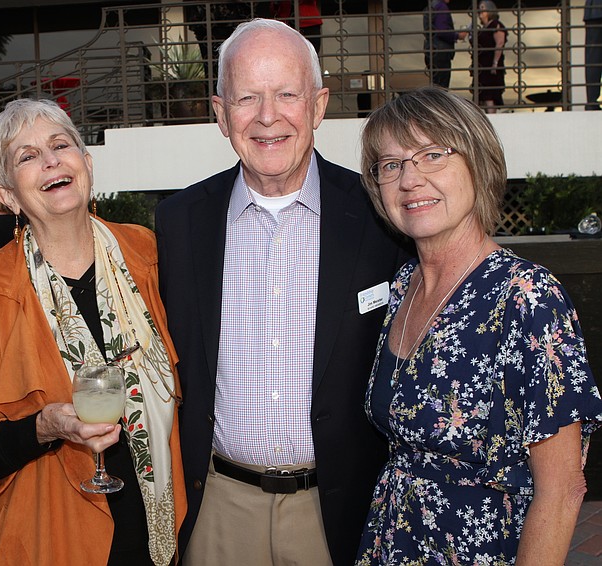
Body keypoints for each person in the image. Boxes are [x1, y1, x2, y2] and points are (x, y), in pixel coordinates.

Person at [155, 18, 407, 566]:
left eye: (287, 94)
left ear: (317, 106)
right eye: (247, 97)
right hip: (219, 506)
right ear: (221, 114)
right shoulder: (177, 223)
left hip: (337, 509)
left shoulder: (378, 215)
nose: (268, 117)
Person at [355, 87, 602, 565]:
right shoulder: (405, 284)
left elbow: (564, 489)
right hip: (393, 544)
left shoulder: (527, 298)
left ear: (477, 161)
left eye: (432, 155)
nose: (410, 179)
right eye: (391, 164)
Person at [0, 98, 186, 566]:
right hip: (53, 539)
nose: (51, 160)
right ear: (8, 196)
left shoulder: (147, 254)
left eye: (60, 145)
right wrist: (44, 426)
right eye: (27, 157)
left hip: (163, 533)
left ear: (86, 163)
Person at [423, 0, 468, 89]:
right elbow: (442, 31)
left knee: (435, 86)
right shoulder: (441, 6)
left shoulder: (430, 7)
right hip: (441, 52)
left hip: (432, 51)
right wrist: (458, 35)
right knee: (441, 88)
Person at [473, 0, 507, 113]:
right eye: (479, 8)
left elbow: (500, 43)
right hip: (482, 67)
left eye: (483, 8)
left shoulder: (496, 25)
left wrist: (495, 64)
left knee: (489, 94)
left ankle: (492, 119)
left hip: (491, 66)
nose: (480, 11)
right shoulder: (483, 28)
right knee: (482, 94)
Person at [586, 0, 602, 110]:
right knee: (593, 58)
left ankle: (592, 102)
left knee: (593, 58)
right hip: (593, 12)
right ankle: (592, 102)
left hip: (593, 12)